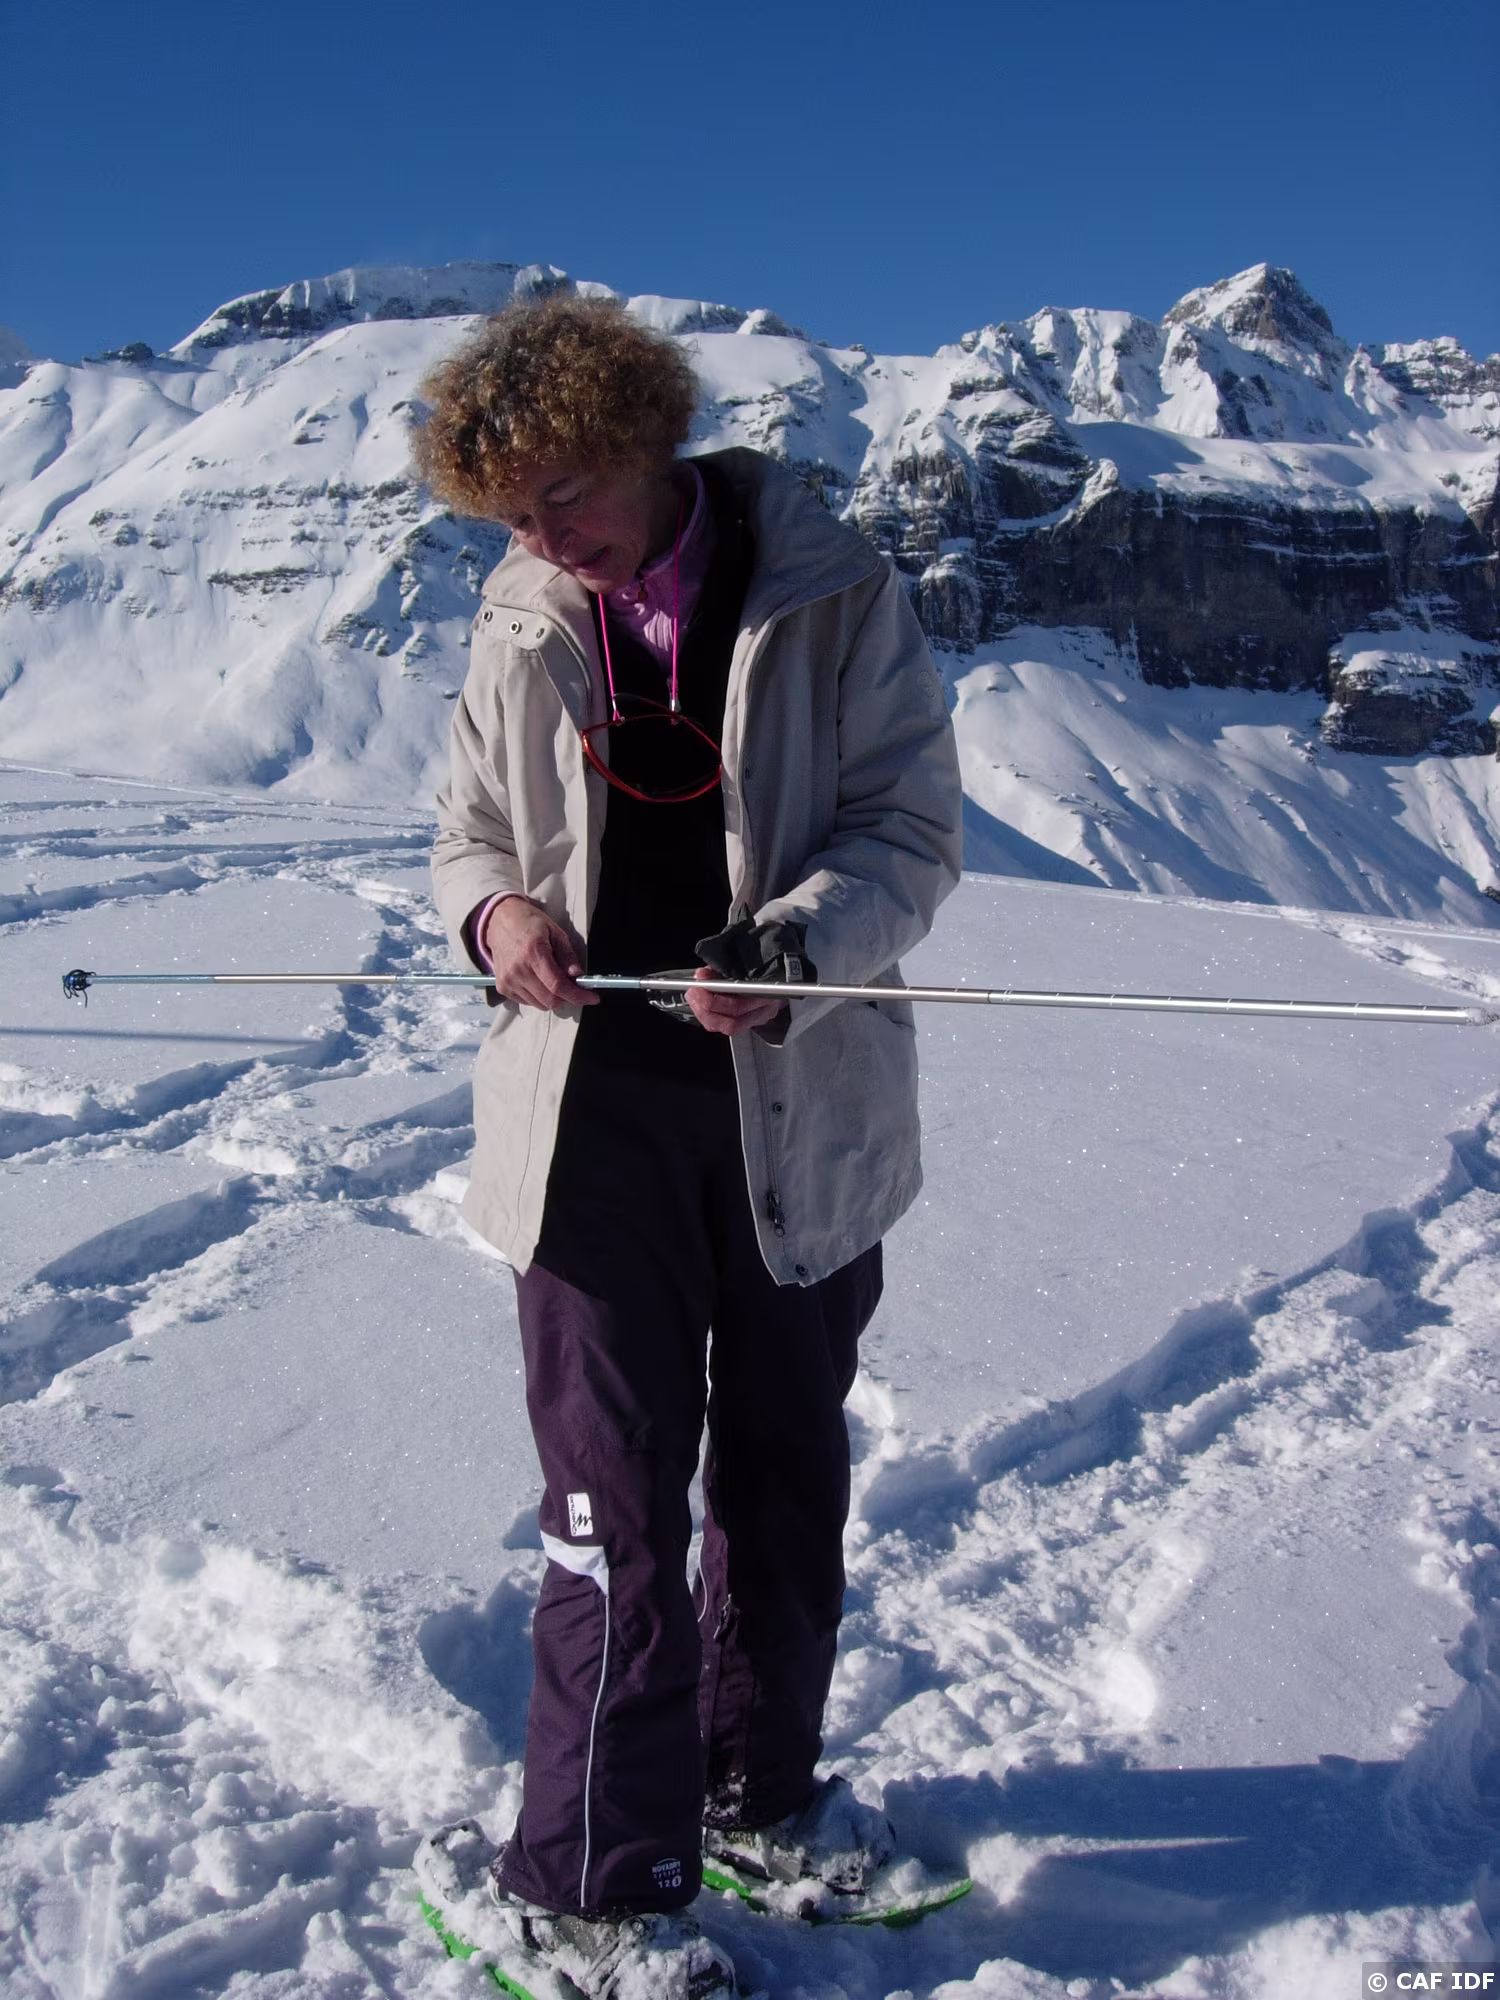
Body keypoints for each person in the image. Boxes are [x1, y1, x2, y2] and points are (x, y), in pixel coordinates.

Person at [413, 294, 962, 1999]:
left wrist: (797, 944)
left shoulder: (832, 589)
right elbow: (465, 834)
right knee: (614, 1509)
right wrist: (496, 917)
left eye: (561, 492)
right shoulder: (520, 617)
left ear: (643, 438)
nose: (539, 537)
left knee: (786, 1482)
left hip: (800, 1115)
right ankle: (589, 1887)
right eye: (507, 513)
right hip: (586, 1135)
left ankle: (754, 1796)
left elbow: (910, 828)